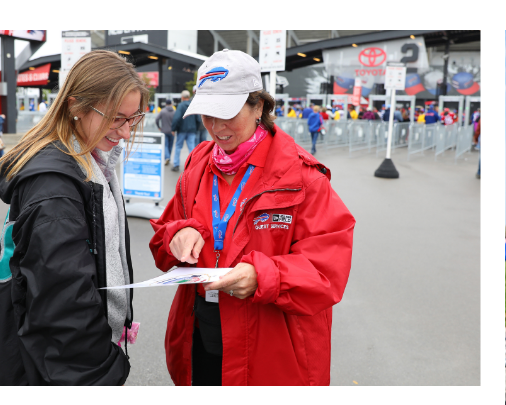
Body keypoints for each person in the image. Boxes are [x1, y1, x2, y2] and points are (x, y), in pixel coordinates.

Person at [150, 50, 356, 386]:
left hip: (271, 348)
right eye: (207, 115)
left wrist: (264, 276)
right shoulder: (198, 164)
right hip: (200, 334)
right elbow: (165, 230)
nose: (216, 128)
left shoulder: (303, 177)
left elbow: (326, 271)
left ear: (258, 106)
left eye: (227, 114)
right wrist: (178, 233)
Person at [0, 51, 150, 386]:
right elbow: (65, 303)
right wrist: (102, 367)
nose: (126, 132)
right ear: (75, 107)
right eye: (115, 118)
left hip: (51, 357)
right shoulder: (56, 185)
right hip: (61, 366)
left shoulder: (86, 160)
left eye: (133, 118)